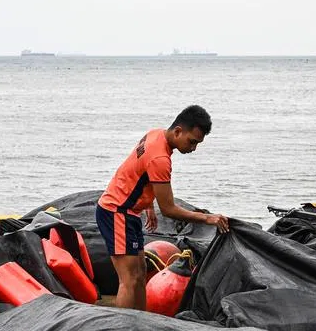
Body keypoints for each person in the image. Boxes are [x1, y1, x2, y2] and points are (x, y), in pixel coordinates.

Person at [95, 105, 230, 310]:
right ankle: (123, 330)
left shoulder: (155, 134)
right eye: (192, 142)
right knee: (129, 280)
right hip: (116, 212)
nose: (193, 148)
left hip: (128, 212)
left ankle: (141, 321)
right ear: (178, 131)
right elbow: (168, 209)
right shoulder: (161, 159)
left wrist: (147, 204)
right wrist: (207, 219)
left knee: (140, 273)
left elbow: (138, 171)